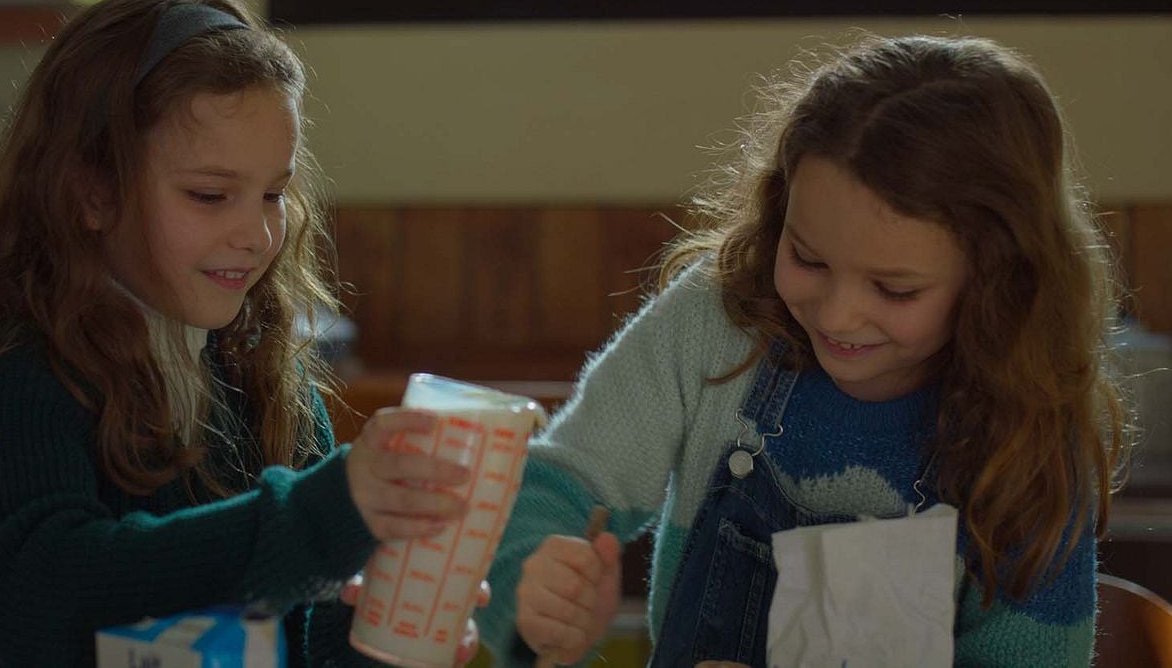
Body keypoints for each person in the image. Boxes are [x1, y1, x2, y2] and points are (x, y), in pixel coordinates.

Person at [477, 34, 1129, 667]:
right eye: (807, 258)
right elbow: (554, 483)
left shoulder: (1035, 438)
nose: (838, 313)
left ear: (998, 282)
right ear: (778, 211)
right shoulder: (716, 323)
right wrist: (535, 578)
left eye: (894, 289)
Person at [0, 0, 479, 667]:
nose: (256, 233)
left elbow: (302, 641)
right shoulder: (17, 370)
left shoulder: (268, 382)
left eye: (273, 194)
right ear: (93, 192)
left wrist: (388, 630)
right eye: (209, 195)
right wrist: (321, 517)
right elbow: (42, 603)